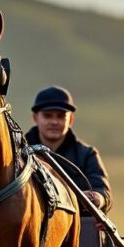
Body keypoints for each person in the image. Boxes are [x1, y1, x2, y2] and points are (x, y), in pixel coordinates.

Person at [24, 85, 112, 214]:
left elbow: (103, 192)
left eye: (60, 116)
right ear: (35, 118)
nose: (54, 122)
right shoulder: (19, 153)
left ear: (70, 119)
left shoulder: (87, 154)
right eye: (48, 116)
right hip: (31, 227)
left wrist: (98, 199)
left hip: (78, 226)